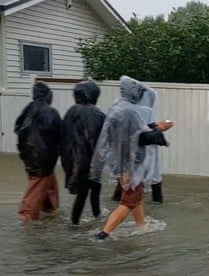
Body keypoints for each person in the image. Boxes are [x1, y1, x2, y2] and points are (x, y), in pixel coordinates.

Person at [90, 76, 173, 240]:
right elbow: (140, 137)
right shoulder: (129, 112)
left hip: (119, 162)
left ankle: (141, 226)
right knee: (129, 200)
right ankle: (103, 235)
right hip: (129, 164)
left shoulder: (117, 107)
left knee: (136, 195)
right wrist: (159, 133)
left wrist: (154, 126)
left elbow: (131, 133)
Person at [15, 81, 62, 221]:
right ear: (48, 96)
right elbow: (59, 134)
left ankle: (49, 209)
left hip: (29, 154)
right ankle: (27, 219)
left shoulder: (28, 109)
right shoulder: (50, 112)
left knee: (48, 183)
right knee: (36, 187)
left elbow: (18, 129)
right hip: (43, 157)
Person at [60, 81, 106, 225]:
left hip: (72, 159)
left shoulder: (71, 111)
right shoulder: (96, 113)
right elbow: (100, 139)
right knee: (90, 189)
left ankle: (90, 216)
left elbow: (62, 135)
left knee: (85, 189)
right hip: (89, 159)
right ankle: (83, 220)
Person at [111, 87, 165, 204]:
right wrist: (157, 129)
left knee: (127, 183)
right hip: (143, 152)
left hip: (129, 154)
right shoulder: (146, 111)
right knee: (149, 182)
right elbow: (145, 133)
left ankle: (121, 204)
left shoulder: (122, 109)